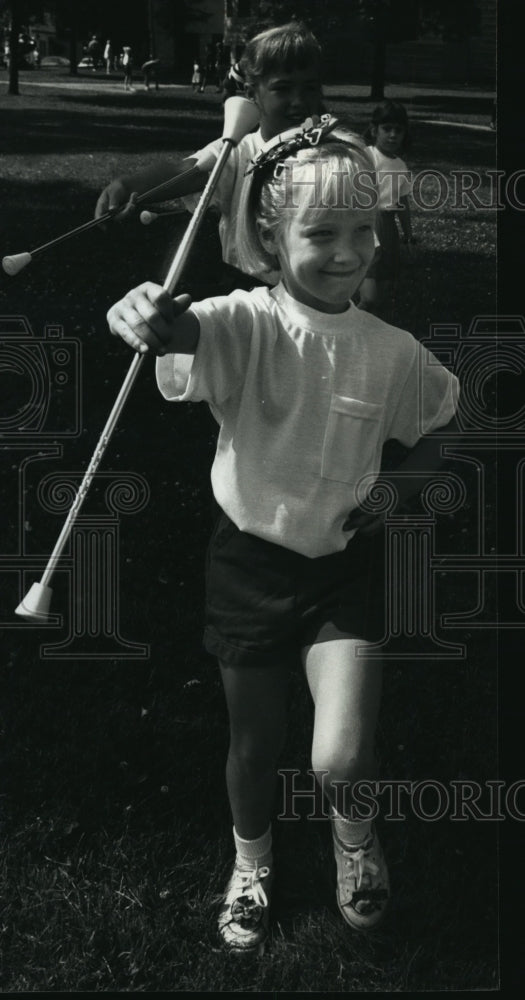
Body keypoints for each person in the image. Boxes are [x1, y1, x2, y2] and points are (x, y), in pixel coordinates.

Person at [106, 122, 460, 954]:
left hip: (343, 567)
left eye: (363, 230)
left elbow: (443, 424)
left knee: (339, 756)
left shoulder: (395, 352)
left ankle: (352, 837)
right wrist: (142, 311)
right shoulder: (246, 322)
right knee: (255, 745)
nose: (348, 252)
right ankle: (251, 860)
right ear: (270, 236)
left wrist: (397, 492)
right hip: (250, 564)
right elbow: (182, 331)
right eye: (321, 233)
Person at [95, 21, 326, 292]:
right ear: (253, 94)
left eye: (309, 88)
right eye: (283, 89)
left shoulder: (329, 154)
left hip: (316, 292)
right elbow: (189, 171)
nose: (299, 101)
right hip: (249, 291)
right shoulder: (238, 151)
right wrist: (128, 186)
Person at [358, 100, 414, 321]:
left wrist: (408, 235)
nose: (392, 135)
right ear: (374, 130)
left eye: (398, 130)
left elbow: (402, 202)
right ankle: (351, 319)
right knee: (369, 295)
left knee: (385, 287)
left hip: (388, 226)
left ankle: (372, 331)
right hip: (367, 221)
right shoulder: (366, 155)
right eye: (387, 129)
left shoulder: (400, 165)